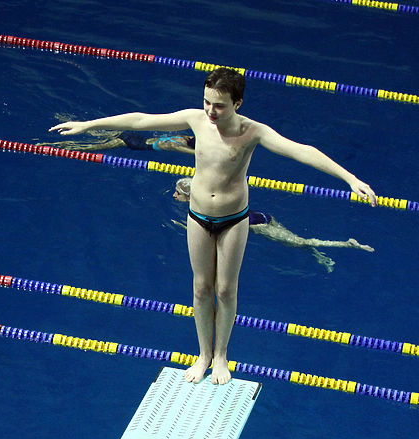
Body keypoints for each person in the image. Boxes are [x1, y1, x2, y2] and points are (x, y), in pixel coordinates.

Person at [50, 67, 377, 384]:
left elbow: (302, 151)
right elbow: (141, 120)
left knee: (225, 290)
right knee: (201, 288)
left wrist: (350, 178)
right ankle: (204, 354)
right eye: (207, 101)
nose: (210, 110)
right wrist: (88, 124)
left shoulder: (254, 132)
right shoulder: (196, 119)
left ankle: (221, 355)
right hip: (197, 216)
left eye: (219, 105)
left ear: (238, 103)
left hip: (234, 220)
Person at [172, 178, 374, 271]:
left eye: (178, 193)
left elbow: (204, 234)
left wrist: (183, 226)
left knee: (301, 242)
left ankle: (347, 244)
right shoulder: (210, 198)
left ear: (189, 197)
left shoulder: (201, 210)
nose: (174, 195)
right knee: (297, 241)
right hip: (263, 216)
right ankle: (320, 257)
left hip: (259, 226)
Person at [40, 126, 195, 154]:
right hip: (133, 143)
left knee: (96, 133)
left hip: (132, 135)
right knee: (88, 148)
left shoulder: (185, 137)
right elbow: (194, 153)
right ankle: (52, 146)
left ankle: (68, 123)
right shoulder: (179, 145)